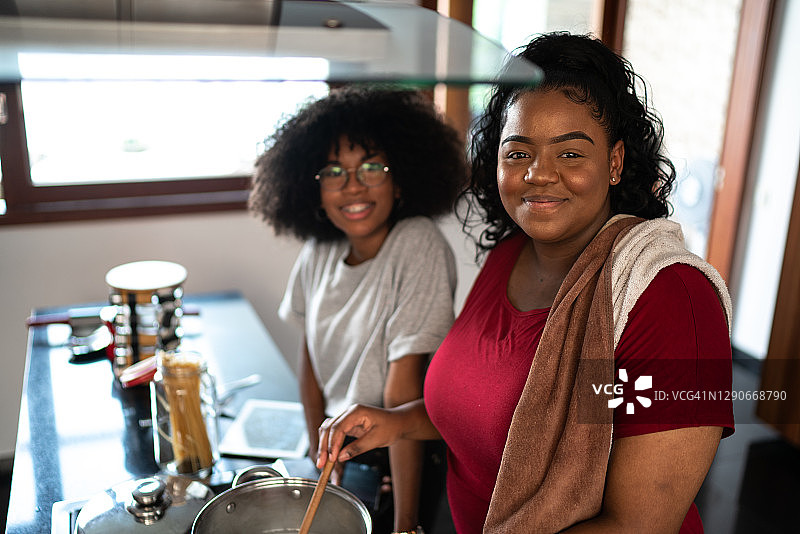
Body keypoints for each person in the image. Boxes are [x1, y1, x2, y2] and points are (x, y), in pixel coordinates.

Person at [317, 33, 734, 534]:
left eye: (571, 154)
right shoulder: (508, 256)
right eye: (518, 153)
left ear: (615, 162)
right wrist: (399, 422)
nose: (539, 174)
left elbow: (639, 525)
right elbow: (485, 409)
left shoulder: (672, 300)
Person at [249, 86, 466, 534]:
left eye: (372, 167)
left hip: (400, 455)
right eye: (334, 172)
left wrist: (406, 525)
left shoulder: (417, 244)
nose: (352, 185)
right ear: (314, 187)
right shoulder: (318, 251)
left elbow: (401, 394)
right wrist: (320, 455)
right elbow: (310, 365)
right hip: (339, 449)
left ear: (400, 178)